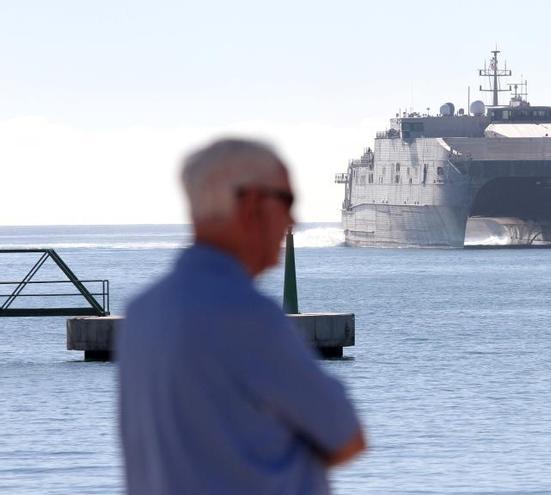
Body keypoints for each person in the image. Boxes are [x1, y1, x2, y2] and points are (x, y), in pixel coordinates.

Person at [117, 138, 365, 494]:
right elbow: (345, 436)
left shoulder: (143, 313)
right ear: (251, 203)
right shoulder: (248, 317)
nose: (293, 220)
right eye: (287, 201)